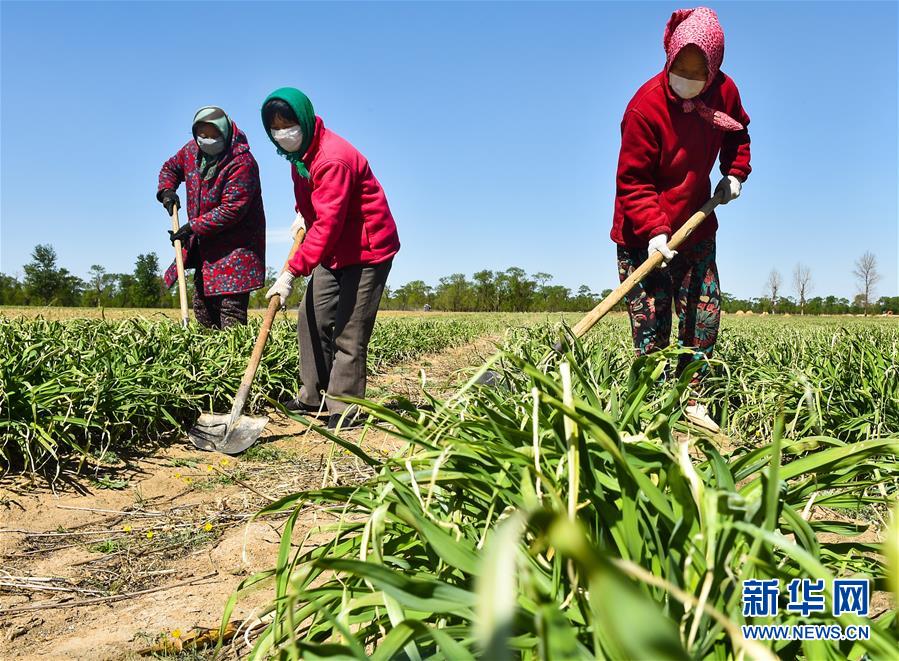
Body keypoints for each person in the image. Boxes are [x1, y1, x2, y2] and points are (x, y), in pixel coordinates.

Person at [610, 7, 751, 432]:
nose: (687, 77)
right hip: (643, 233)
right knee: (653, 319)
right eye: (680, 67)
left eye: (697, 70)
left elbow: (738, 133)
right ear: (669, 57)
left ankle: (692, 399)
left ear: (714, 68)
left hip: (696, 224)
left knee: (702, 313)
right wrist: (655, 230)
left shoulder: (724, 93)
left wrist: (734, 172)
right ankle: (651, 404)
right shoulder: (644, 108)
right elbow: (633, 180)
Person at [261, 88, 400, 430]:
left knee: (349, 330)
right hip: (334, 247)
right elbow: (315, 208)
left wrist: (292, 271)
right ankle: (313, 395)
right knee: (311, 316)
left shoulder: (332, 158)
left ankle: (345, 406)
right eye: (275, 128)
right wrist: (301, 214)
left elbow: (328, 225)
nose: (283, 133)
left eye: (288, 124)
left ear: (304, 121)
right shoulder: (299, 157)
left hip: (367, 249)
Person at [157, 106, 266, 328]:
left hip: (237, 251)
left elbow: (232, 209)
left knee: (230, 313)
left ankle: (236, 360)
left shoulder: (242, 162)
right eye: (202, 135)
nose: (206, 140)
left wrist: (192, 228)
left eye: (213, 135)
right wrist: (167, 191)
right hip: (206, 249)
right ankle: (209, 358)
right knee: (203, 308)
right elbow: (170, 168)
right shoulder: (191, 151)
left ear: (225, 132)